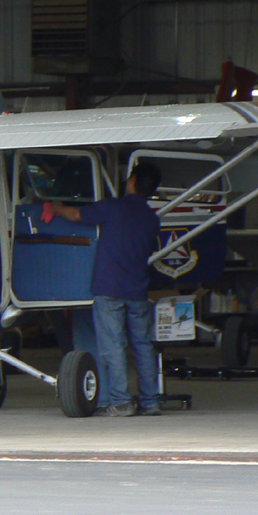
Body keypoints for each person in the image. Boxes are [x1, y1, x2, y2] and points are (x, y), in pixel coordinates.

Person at [45, 161, 164, 416]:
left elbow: (77, 216)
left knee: (113, 347)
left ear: (132, 181)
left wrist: (57, 207)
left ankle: (121, 402)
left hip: (109, 288)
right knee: (143, 346)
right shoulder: (152, 219)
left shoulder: (113, 207)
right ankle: (151, 401)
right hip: (138, 290)